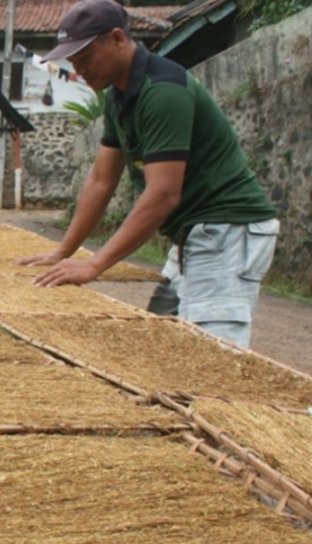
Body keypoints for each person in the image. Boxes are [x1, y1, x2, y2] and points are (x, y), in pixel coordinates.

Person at [15, 0, 278, 348]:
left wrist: (95, 264)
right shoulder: (119, 96)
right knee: (161, 344)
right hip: (194, 234)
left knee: (211, 357)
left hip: (226, 231)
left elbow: (164, 194)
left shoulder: (163, 92)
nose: (80, 69)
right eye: (73, 61)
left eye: (85, 57)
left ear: (118, 38)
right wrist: (63, 251)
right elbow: (101, 180)